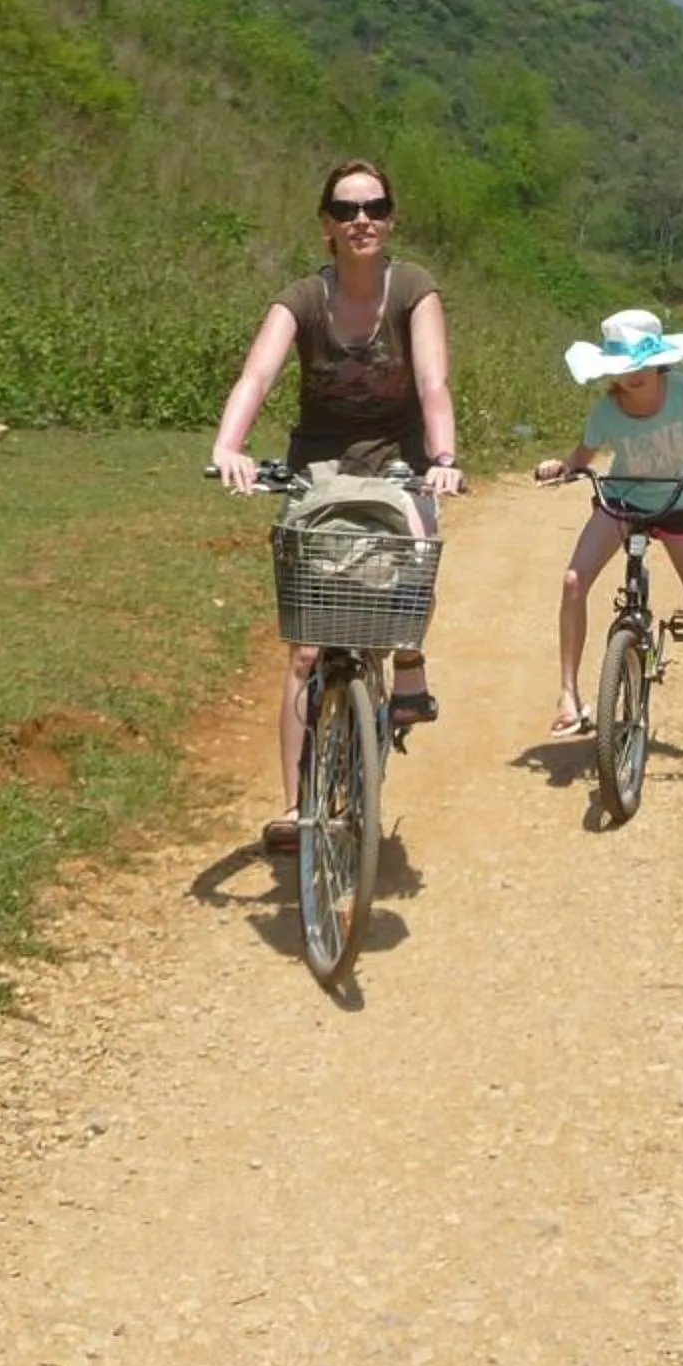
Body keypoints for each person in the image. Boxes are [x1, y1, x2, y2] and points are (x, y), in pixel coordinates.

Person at [209, 158, 466, 855]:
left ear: (391, 217)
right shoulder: (302, 298)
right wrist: (229, 445)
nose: (363, 221)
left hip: (400, 462)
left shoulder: (413, 289)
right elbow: (257, 373)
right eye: (348, 210)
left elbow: (434, 382)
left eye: (375, 207)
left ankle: (407, 662)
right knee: (304, 650)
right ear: (326, 223)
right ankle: (298, 807)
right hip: (316, 469)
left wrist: (442, 462)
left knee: (415, 553)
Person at [533, 309, 683, 769]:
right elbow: (580, 458)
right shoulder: (605, 410)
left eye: (639, 366)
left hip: (678, 502)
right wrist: (561, 467)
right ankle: (569, 697)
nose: (631, 376)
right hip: (620, 501)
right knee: (573, 581)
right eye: (622, 368)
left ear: (658, 363)